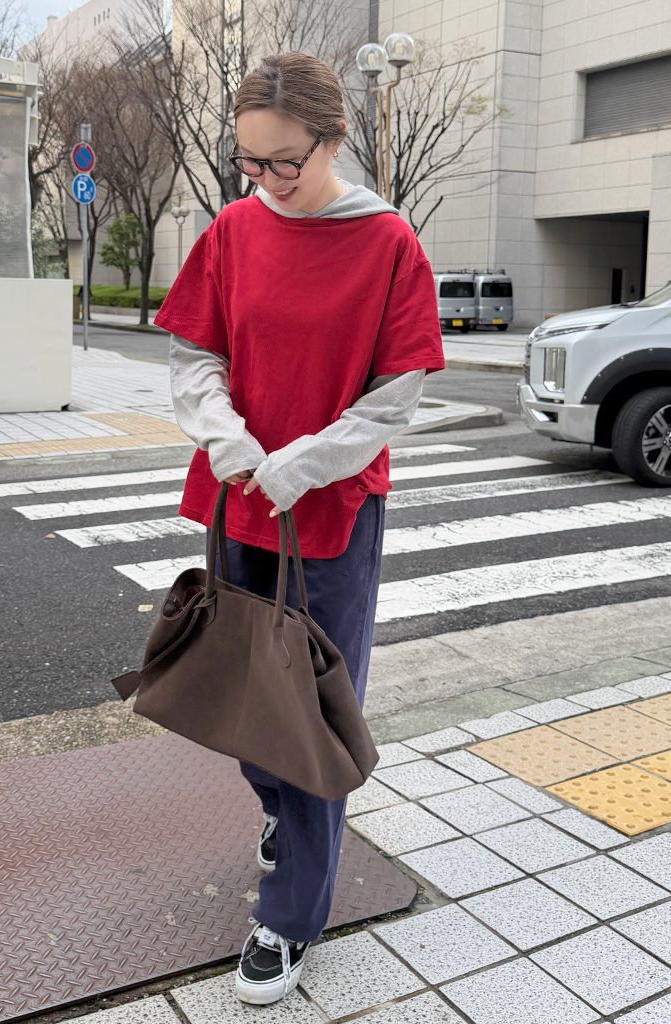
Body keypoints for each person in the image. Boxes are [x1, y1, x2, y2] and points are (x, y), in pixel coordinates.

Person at [153, 51, 444, 1006]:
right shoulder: (234, 230)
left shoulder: (388, 243)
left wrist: (302, 462)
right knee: (247, 687)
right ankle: (279, 804)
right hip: (239, 494)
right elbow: (196, 356)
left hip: (331, 511)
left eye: (286, 160)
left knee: (311, 712)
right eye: (251, 160)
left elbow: (396, 393)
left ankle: (289, 918)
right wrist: (228, 439)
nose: (267, 179)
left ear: (334, 139)